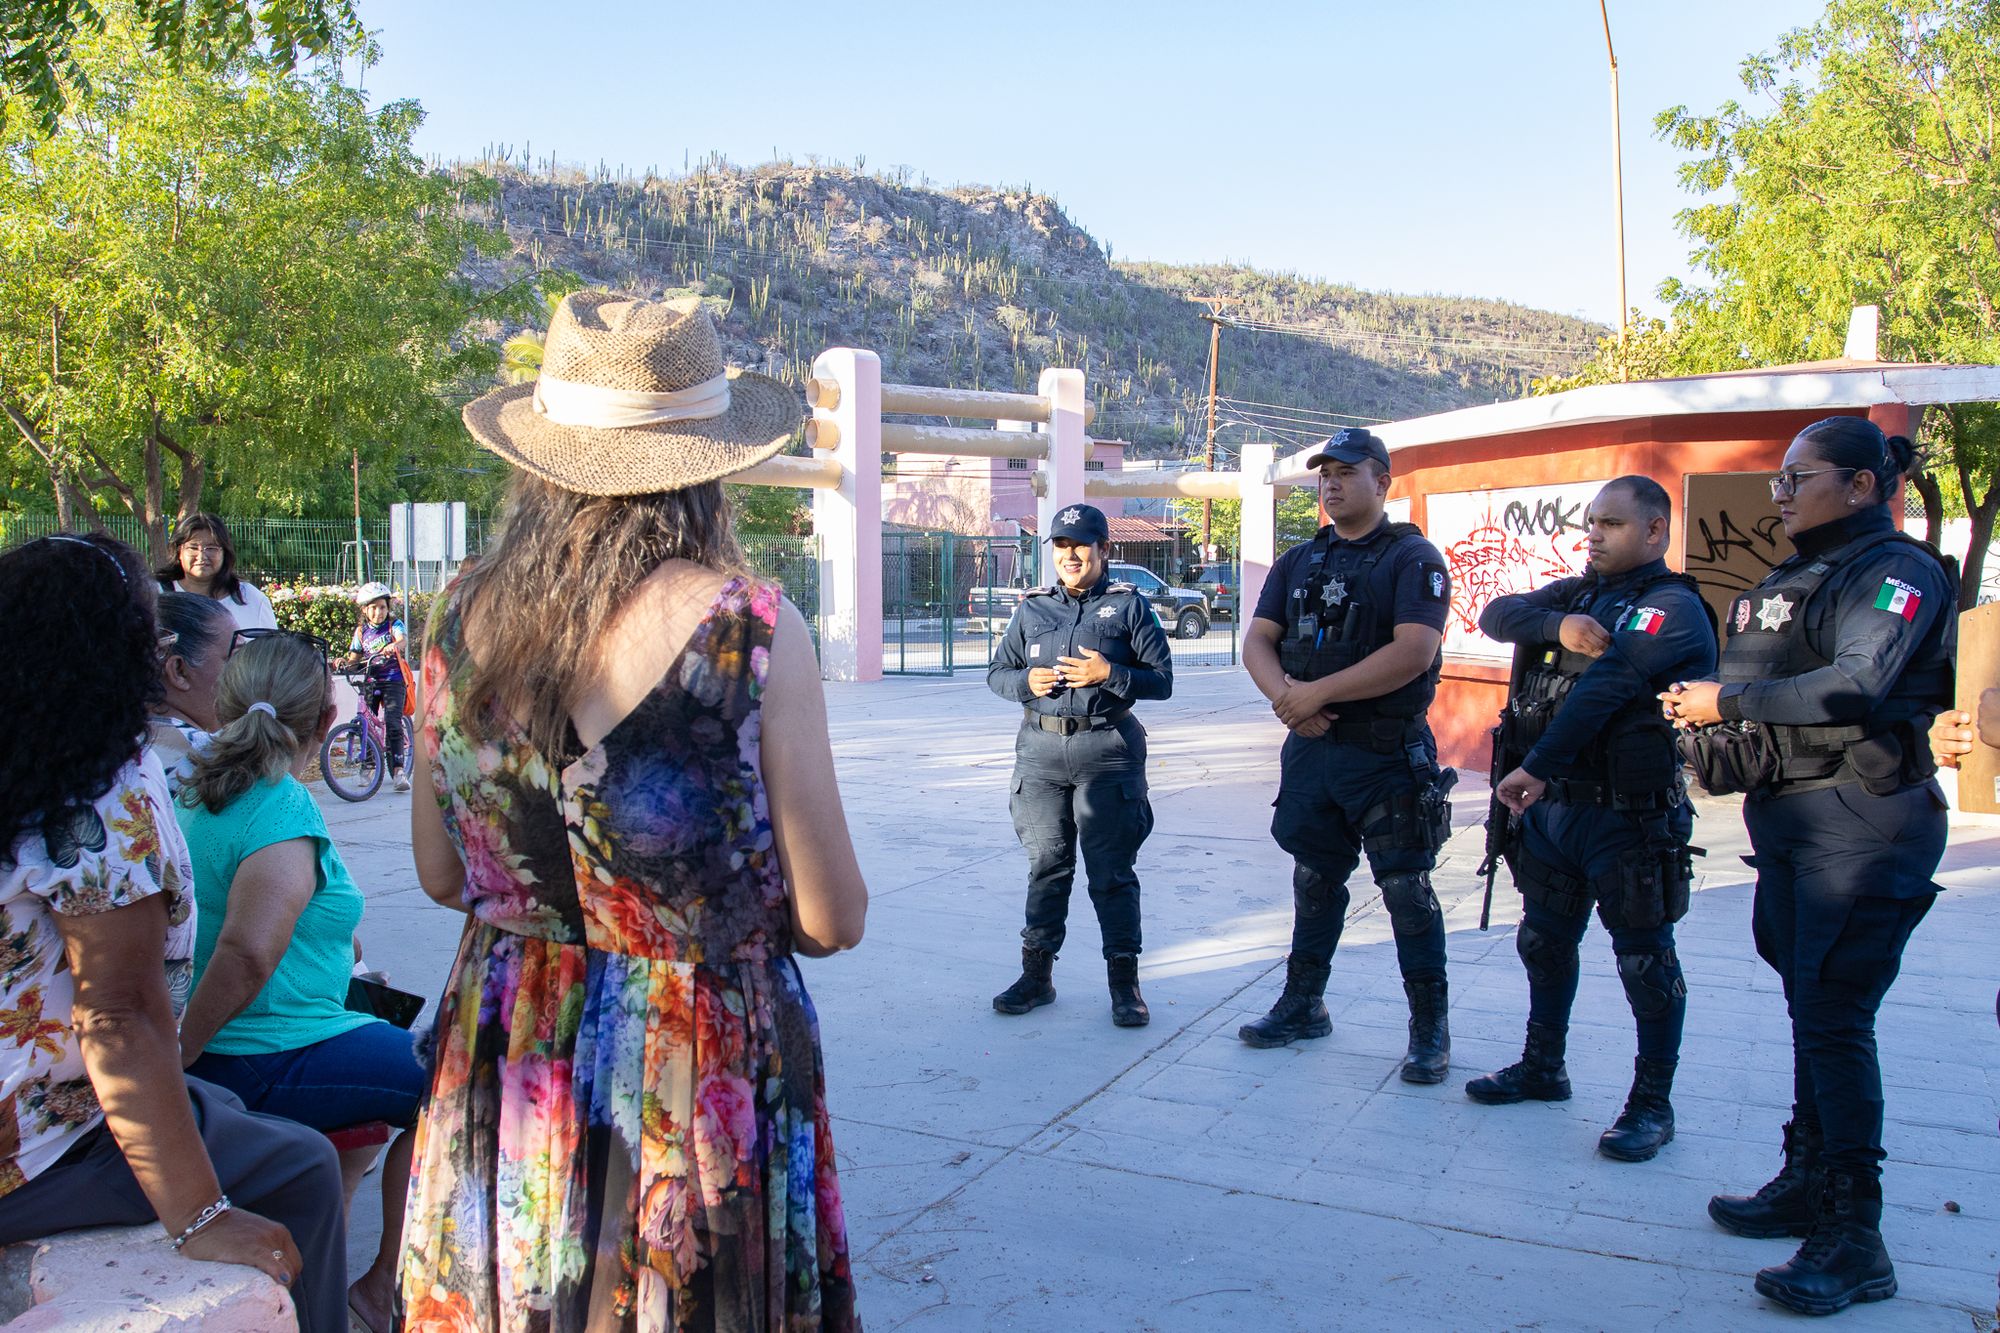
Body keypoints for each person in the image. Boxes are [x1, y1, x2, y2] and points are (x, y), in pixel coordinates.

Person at [402, 290, 867, 1330]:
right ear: (711, 463)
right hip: (691, 1052)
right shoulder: (749, 630)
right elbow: (832, 917)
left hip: (510, 1035)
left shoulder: (452, 618)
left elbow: (442, 875)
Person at [0, 532, 346, 1332]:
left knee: (221, 1103)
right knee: (302, 1164)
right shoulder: (98, 795)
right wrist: (201, 1215)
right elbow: (117, 1019)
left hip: (34, 1107)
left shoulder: (27, 757)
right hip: (39, 1149)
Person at [1666, 416, 1953, 1316]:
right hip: (1793, 818)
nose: (1780, 495)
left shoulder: (1897, 571)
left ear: (1863, 485)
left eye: (1798, 479)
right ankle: (1807, 1177)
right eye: (1778, 481)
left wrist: (1726, 699)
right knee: (1809, 1005)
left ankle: (1855, 1232)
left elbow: (1856, 685)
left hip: (1865, 821)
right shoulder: (1795, 574)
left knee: (1835, 1016)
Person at [173, 630, 428, 1333]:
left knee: (393, 1066)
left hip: (286, 1032)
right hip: (268, 1048)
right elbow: (248, 951)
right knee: (458, 1082)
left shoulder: (200, 785)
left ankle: (339, 1272)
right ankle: (382, 1286)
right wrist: (180, 1051)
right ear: (324, 721)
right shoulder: (277, 804)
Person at [1466, 477, 1716, 1162]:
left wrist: (1537, 763)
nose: (1594, 534)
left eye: (1610, 523)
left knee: (1644, 960)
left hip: (1627, 819)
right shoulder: (1578, 594)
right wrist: (1558, 626)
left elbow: (1608, 686)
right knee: (1544, 942)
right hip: (1554, 816)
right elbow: (1495, 613)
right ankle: (1543, 1065)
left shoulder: (1671, 607)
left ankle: (1652, 1103)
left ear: (1656, 531)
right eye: (1590, 522)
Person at [1238, 428, 1458, 1083]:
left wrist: (1313, 694)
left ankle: (1429, 1031)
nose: (1330, 483)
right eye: (1323, 474)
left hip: (1387, 754)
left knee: (1407, 891)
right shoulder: (1299, 561)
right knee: (1314, 879)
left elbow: (1413, 650)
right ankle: (1304, 1004)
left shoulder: (1412, 559)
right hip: (1314, 752)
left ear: (1382, 480)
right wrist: (1287, 699)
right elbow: (1258, 641)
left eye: (1346, 471)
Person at [985, 502, 1174, 1026]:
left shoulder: (1129, 608)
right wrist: (1026, 683)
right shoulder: (1033, 610)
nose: (1070, 555)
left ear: (1104, 549)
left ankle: (1124, 984)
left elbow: (1162, 681)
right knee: (1047, 866)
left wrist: (1109, 671)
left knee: (1112, 873)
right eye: (1062, 547)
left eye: (1081, 545)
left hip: (1107, 754)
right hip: (1041, 756)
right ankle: (1036, 976)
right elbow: (998, 671)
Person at [148, 591, 240, 798]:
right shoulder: (210, 762)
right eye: (233, 659)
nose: (244, 673)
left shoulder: (116, 744)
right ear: (179, 671)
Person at [338, 581, 412, 792]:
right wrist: (343, 661)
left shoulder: (394, 625)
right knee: (366, 724)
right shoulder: (361, 632)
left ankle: (398, 771)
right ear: (365, 610)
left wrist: (394, 646)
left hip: (393, 680)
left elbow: (402, 640)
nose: (379, 612)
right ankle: (368, 764)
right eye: (374, 608)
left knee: (392, 722)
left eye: (383, 607)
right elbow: (354, 658)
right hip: (371, 680)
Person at [155, 512, 278, 631]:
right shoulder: (154, 595)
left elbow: (271, 650)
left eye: (211, 548)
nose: (201, 556)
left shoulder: (251, 600)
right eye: (193, 548)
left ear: (225, 552)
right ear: (179, 552)